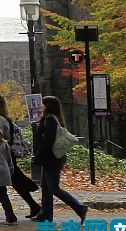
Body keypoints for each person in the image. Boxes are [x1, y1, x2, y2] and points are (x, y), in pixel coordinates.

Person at [32, 96, 89, 224]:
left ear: (48, 106)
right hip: (51, 159)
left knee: (53, 188)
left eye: (43, 104)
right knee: (46, 187)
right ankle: (45, 215)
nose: (41, 106)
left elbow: (48, 141)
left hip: (52, 159)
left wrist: (39, 155)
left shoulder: (50, 120)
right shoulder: (53, 119)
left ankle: (79, 207)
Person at [0, 94, 40, 219]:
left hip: (4, 155)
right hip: (7, 154)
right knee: (14, 181)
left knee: (5, 181)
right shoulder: (2, 118)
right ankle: (34, 205)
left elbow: (0, 137)